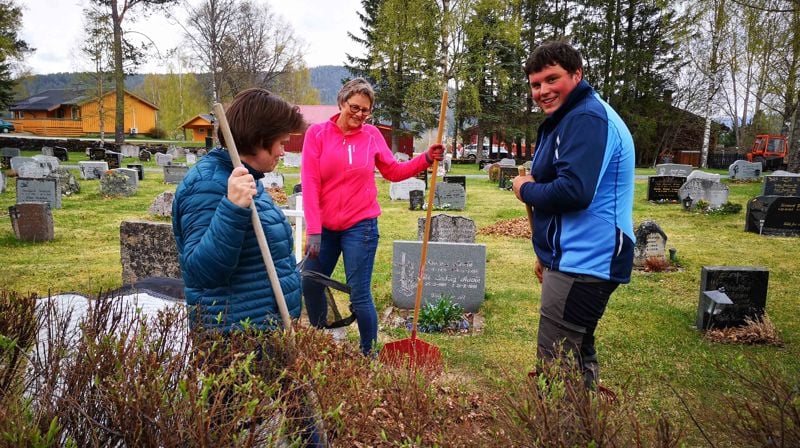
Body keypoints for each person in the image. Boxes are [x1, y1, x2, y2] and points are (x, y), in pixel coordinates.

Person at [512, 41, 635, 389]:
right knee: (577, 354)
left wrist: (524, 188)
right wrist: (546, 254)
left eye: (552, 79)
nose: (543, 91)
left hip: (585, 261)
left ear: (577, 74)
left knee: (558, 366)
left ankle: (563, 431)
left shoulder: (585, 118)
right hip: (571, 257)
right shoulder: (568, 118)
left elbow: (574, 192)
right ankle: (585, 425)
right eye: (536, 84)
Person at [301, 77, 444, 356]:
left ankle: (369, 353)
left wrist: (426, 158)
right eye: (354, 107)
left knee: (359, 293)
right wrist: (314, 228)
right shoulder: (317, 134)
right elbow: (310, 181)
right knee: (310, 280)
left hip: (360, 225)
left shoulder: (371, 135)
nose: (359, 115)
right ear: (342, 102)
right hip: (325, 229)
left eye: (366, 111)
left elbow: (393, 171)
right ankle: (318, 342)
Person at [173, 87, 306, 333]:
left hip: (262, 330)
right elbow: (202, 272)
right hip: (235, 340)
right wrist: (232, 209)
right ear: (258, 138)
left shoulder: (246, 178)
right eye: (281, 142)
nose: (282, 151)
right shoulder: (207, 185)